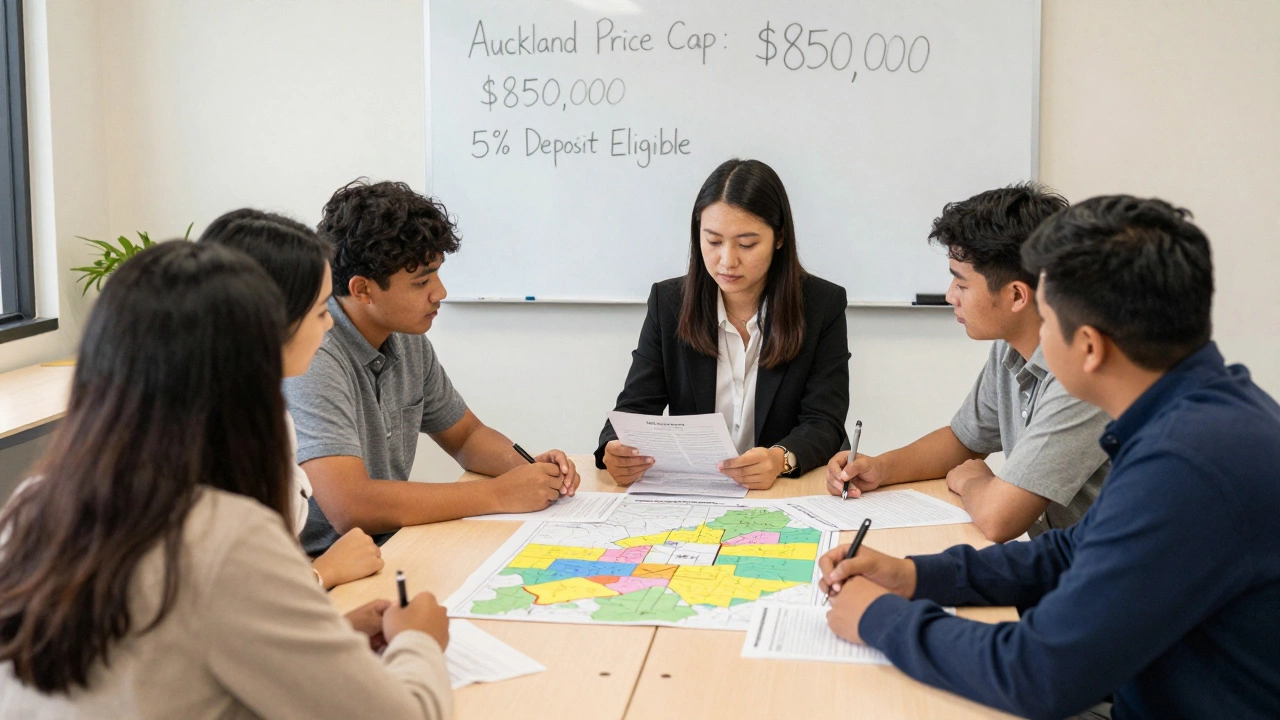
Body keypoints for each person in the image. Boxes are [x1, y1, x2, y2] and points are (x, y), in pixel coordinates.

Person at [820, 196, 1280, 719]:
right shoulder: (1196, 412)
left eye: (1048, 316)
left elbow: (1038, 674)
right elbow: (1069, 551)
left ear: (1087, 346)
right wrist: (913, 576)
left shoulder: (1186, 464)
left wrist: (880, 621)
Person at [0, 242, 452, 719]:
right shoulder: (224, 534)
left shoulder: (31, 505)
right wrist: (419, 641)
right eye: (320, 313)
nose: (325, 330)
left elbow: (165, 656)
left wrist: (320, 639)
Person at [286, 180, 580, 557]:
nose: (439, 292)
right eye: (421, 281)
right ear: (363, 290)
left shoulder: (406, 337)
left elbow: (466, 435)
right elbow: (351, 506)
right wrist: (497, 494)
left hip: (387, 548)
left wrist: (525, 469)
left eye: (437, 273)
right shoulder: (314, 354)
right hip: (321, 566)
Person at [825, 183, 1109, 541]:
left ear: (1017, 295)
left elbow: (999, 519)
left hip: (1111, 582)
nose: (949, 297)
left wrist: (977, 480)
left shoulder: (1079, 374)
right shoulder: (1012, 346)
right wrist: (879, 467)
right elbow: (964, 440)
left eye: (961, 284)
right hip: (1060, 564)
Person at [596, 158, 850, 490]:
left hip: (783, 492)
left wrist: (780, 459)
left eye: (747, 244)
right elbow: (633, 407)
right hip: (697, 491)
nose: (727, 260)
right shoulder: (669, 302)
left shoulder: (821, 305)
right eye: (713, 241)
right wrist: (614, 450)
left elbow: (824, 422)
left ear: (779, 238)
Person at [200, 209, 383, 590]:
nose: (330, 323)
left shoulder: (261, 410)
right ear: (267, 319)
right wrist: (322, 574)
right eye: (320, 311)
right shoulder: (207, 439)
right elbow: (228, 601)